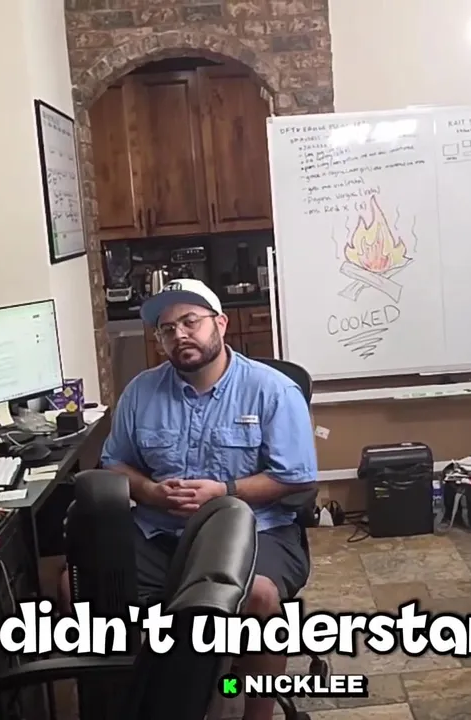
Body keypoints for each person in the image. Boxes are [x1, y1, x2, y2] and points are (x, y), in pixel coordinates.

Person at [63, 278, 317, 720]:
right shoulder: (141, 392)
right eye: (167, 329)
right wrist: (150, 492)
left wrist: (226, 492)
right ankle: (132, 696)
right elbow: (114, 463)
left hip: (253, 531)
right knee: (77, 584)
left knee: (258, 596)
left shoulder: (272, 390)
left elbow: (296, 476)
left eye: (190, 322)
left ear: (220, 323)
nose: (179, 335)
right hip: (161, 530)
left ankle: (255, 714)